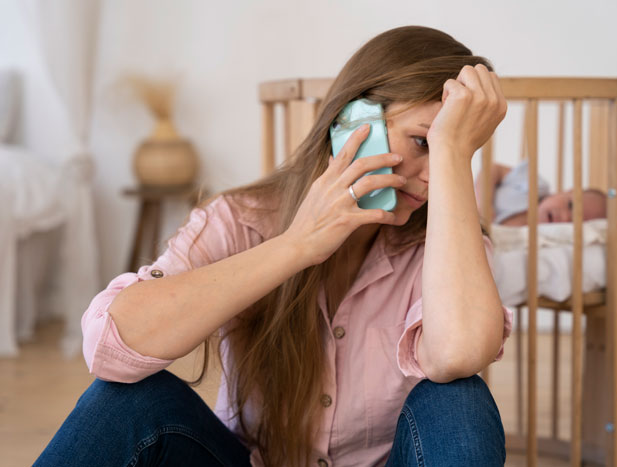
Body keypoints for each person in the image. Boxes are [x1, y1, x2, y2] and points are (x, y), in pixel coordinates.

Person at [36, 26, 513, 467]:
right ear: (351, 122)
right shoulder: (239, 219)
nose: (434, 179)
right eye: (423, 142)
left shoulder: (449, 247)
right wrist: (296, 246)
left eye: (454, 152)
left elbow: (457, 354)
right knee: (124, 400)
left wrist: (451, 150)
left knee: (459, 398)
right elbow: (109, 348)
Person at [475, 160, 607, 226]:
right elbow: (491, 169)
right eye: (571, 206)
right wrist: (483, 203)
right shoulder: (536, 185)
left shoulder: (539, 242)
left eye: (573, 223)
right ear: (566, 191)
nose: (566, 217)